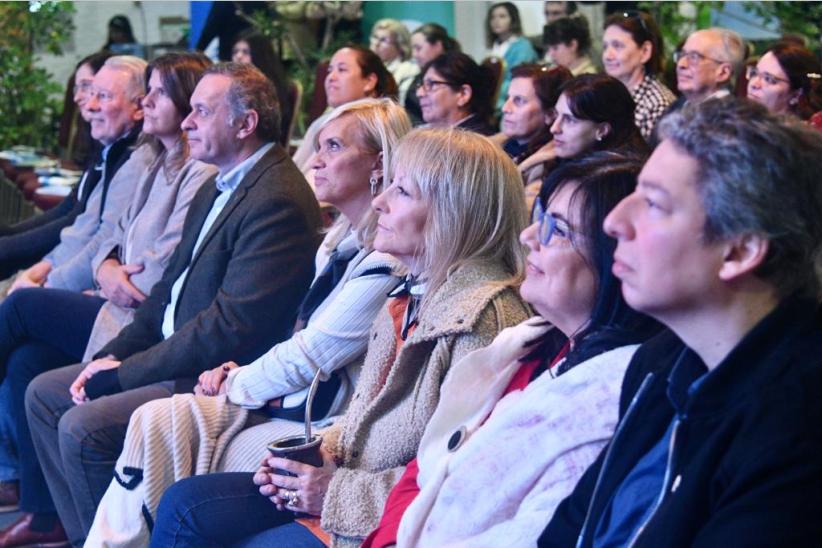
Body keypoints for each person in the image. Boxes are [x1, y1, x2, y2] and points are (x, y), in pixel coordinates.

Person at [149, 128, 532, 547]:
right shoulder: (411, 290)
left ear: (454, 213)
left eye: (401, 191)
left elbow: (459, 479)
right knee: (186, 504)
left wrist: (333, 490)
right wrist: (315, 453)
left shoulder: (483, 321)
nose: (380, 202)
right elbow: (367, 418)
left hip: (381, 518)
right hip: (347, 489)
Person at [84, 98, 410, 546]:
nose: (314, 159)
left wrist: (235, 382)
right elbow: (170, 288)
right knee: (152, 418)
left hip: (324, 418)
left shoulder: (386, 260)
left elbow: (309, 356)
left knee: (143, 435)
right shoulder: (338, 243)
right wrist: (236, 373)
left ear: (379, 163)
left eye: (332, 147)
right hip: (286, 394)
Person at [25, 62, 322, 547]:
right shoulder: (218, 183)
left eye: (201, 112)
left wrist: (123, 374)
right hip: (173, 349)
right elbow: (166, 291)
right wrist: (112, 355)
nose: (186, 122)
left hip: (211, 374)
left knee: (82, 427)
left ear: (244, 125)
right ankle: (86, 536)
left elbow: (228, 328)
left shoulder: (277, 198)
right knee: (44, 392)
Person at [541, 97, 822, 547]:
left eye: (653, 204)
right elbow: (571, 528)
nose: (614, 222)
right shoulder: (661, 362)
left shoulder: (796, 432)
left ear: (740, 250)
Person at [367, 153, 662, 548]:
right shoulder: (527, 346)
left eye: (557, 229)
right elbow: (427, 468)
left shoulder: (609, 398)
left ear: (618, 261)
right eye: (540, 217)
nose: (529, 236)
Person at [0, 52, 217, 547]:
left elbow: (157, 269)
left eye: (156, 93)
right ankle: (49, 517)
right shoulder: (154, 160)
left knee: (21, 308)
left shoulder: (195, 171)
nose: (145, 102)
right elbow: (107, 240)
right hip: (110, 299)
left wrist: (111, 270)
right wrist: (108, 268)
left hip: (135, 317)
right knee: (28, 364)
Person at [0, 55, 145, 282]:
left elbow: (91, 231)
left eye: (100, 93)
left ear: (139, 106)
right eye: (87, 90)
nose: (84, 100)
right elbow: (78, 218)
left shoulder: (133, 157)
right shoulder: (109, 144)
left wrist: (49, 278)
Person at [292, 45, 397, 187]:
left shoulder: (375, 124)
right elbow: (294, 170)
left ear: (369, 81)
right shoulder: (326, 120)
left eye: (342, 70)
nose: (331, 77)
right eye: (330, 70)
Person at [527, 74, 649, 184]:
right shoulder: (566, 157)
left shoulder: (614, 180)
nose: (554, 128)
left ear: (602, 130)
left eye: (569, 120)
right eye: (557, 115)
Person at [496, 64, 573, 189]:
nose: (505, 108)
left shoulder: (548, 168)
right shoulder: (502, 145)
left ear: (550, 114)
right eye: (507, 98)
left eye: (519, 100)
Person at [602, 10, 676, 139]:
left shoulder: (658, 106)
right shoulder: (608, 94)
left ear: (645, 51)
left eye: (617, 46)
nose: (607, 56)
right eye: (605, 47)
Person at [231, 30, 294, 147]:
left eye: (245, 52)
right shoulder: (230, 85)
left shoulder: (271, 89)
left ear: (260, 56)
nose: (238, 56)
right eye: (236, 51)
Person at [667, 28, 745, 114]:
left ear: (723, 72)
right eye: (682, 55)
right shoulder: (675, 107)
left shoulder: (734, 120)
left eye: (694, 57)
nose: (681, 64)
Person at [416, 51, 495, 135]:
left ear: (463, 94)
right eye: (422, 84)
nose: (419, 93)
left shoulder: (475, 144)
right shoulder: (432, 134)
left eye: (432, 84)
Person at [747, 41, 822, 120]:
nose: (754, 84)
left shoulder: (795, 131)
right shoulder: (741, 121)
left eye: (768, 79)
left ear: (796, 94)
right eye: (754, 73)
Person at [487, 2, 538, 110]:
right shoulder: (494, 47)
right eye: (493, 17)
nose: (496, 21)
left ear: (513, 20)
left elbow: (516, 81)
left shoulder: (523, 47)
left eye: (502, 16)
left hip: (512, 103)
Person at [405, 23, 460, 124]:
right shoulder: (419, 76)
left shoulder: (456, 73)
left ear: (438, 46)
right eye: (413, 49)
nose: (414, 55)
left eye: (418, 48)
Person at [369, 19, 419, 105]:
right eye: (375, 37)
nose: (376, 44)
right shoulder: (370, 69)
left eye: (383, 40)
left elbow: (403, 105)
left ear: (400, 46)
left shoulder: (409, 70)